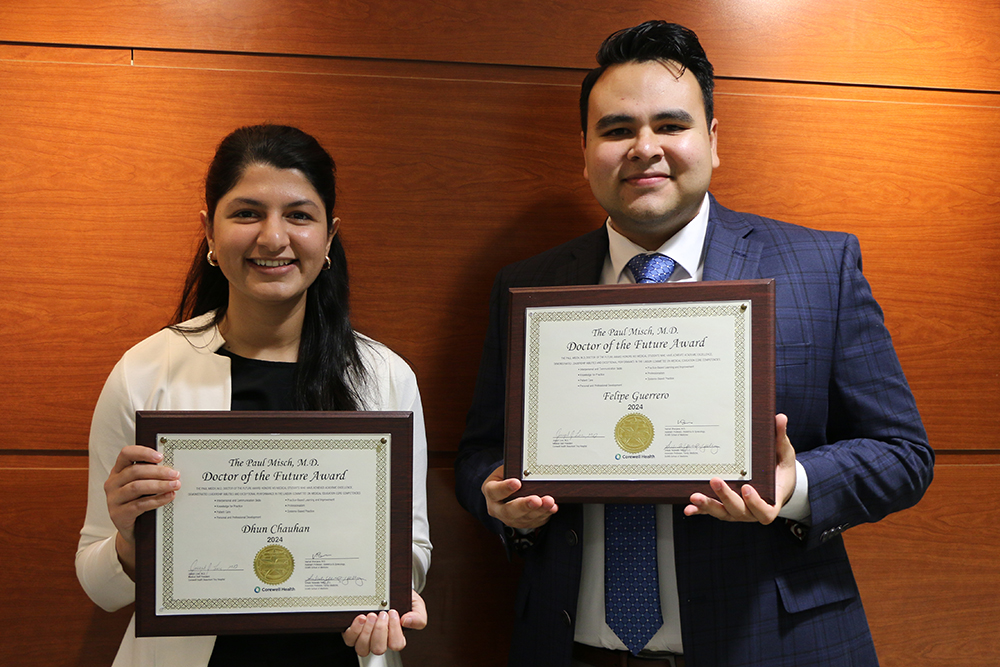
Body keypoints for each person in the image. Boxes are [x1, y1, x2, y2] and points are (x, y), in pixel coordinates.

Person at [455, 20, 933, 667]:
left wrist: (791, 486)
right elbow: (481, 447)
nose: (643, 148)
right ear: (585, 148)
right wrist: (497, 500)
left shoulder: (822, 266)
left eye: (670, 125)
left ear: (711, 141)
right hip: (570, 649)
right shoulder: (528, 287)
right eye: (617, 129)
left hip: (775, 646)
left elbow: (903, 453)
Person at [76, 124, 431, 667]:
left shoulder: (385, 377)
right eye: (246, 213)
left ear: (329, 237)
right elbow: (101, 586)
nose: (272, 237)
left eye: (299, 215)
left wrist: (391, 596)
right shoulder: (145, 373)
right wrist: (128, 540)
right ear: (210, 232)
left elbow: (411, 553)